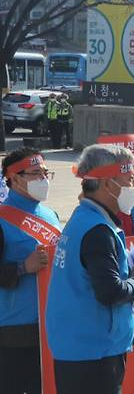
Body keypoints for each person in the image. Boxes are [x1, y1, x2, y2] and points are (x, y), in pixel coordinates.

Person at [46, 144, 134, 394]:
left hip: (78, 346)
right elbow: (110, 292)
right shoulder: (97, 230)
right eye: (129, 179)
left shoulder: (83, 218)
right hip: (94, 351)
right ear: (107, 184)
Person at [0, 148, 60, 394]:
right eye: (35, 174)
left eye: (45, 173)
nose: (43, 179)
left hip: (50, 324)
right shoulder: (2, 219)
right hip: (13, 330)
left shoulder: (51, 215)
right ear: (14, 178)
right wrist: (24, 267)